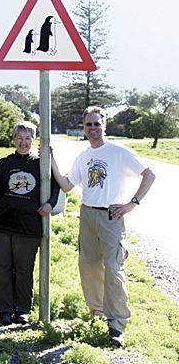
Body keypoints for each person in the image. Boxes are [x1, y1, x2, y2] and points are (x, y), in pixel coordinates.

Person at [50, 106, 156, 346]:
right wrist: (51, 160)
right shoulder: (83, 156)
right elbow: (67, 185)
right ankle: (97, 314)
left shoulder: (120, 152)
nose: (93, 128)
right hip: (87, 214)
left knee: (113, 269)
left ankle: (117, 324)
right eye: (89, 124)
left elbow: (149, 175)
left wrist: (132, 203)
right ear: (84, 128)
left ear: (104, 126)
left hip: (112, 217)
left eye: (97, 124)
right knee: (88, 266)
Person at [0, 121, 59, 325]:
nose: (23, 142)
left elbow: (56, 186)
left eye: (27, 138)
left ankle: (22, 309)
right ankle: (4, 310)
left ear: (33, 141)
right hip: (2, 226)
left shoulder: (41, 164)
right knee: (2, 267)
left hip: (29, 227)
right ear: (14, 139)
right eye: (20, 138)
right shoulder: (4, 164)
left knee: (25, 269)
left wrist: (50, 204)